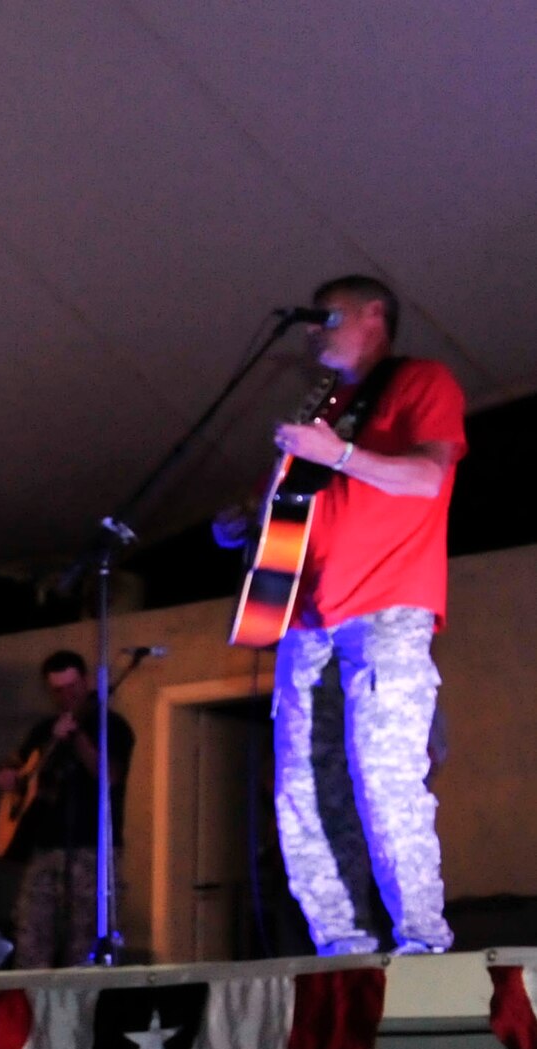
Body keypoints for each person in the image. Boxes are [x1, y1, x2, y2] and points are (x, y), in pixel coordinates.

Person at [216, 274, 466, 956]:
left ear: (374, 314)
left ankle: (421, 939)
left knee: (383, 774)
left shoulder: (419, 380)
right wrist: (250, 519)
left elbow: (428, 477)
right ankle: (340, 943)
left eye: (327, 315)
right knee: (302, 788)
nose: (311, 329)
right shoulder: (325, 403)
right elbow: (300, 510)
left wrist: (342, 454)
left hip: (387, 607)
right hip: (306, 620)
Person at [0, 650, 134, 968]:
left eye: (72, 687)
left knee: (84, 942)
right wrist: (8, 775)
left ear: (85, 682)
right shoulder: (43, 729)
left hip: (91, 849)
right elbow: (17, 764)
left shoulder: (112, 726)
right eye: (58, 690)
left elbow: (109, 776)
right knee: (31, 937)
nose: (67, 695)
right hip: (43, 848)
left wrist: (77, 738)